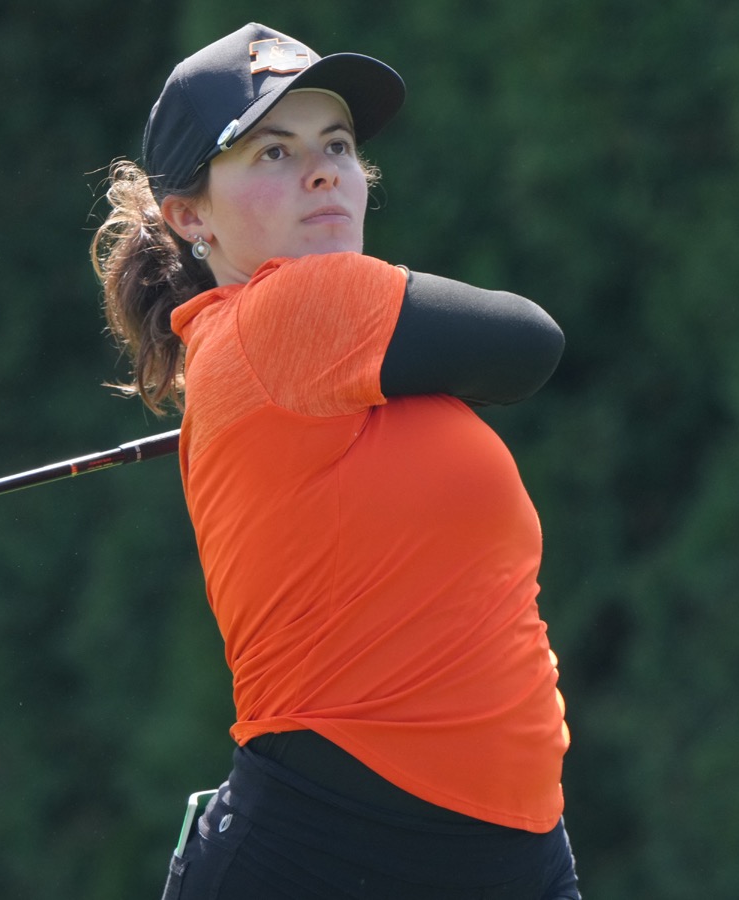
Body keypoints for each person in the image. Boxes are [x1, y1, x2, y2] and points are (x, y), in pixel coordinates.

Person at [91, 22, 579, 900]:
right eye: (271, 152)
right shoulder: (296, 310)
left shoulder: (296, 360)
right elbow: (527, 344)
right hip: (330, 848)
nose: (322, 171)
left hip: (512, 849)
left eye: (338, 146)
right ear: (189, 215)